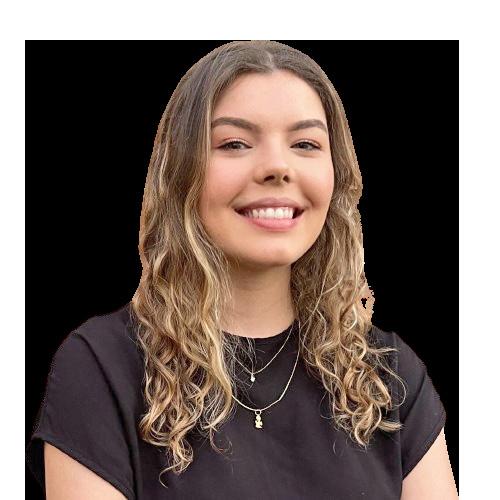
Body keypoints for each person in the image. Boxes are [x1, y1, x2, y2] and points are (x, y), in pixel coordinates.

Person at [26, 40, 458, 499]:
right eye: (234, 143)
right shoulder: (100, 369)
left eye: (306, 144)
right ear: (181, 173)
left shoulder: (390, 377)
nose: (277, 167)